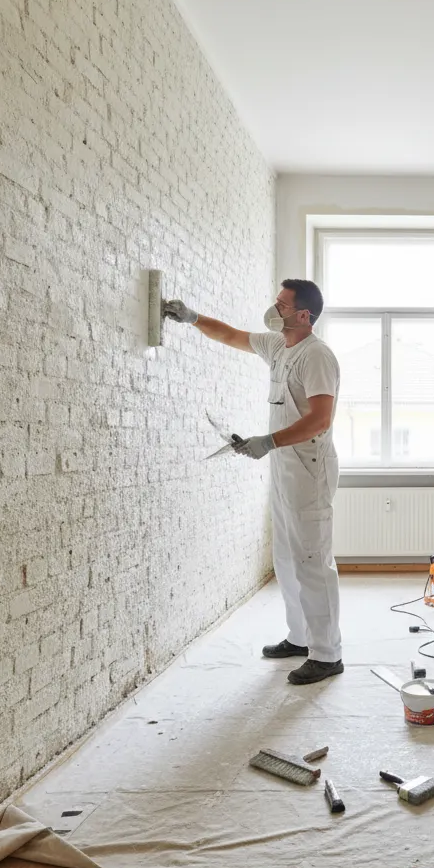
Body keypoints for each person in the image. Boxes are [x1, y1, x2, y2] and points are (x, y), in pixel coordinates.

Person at [163, 280, 343, 684]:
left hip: (309, 468)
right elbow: (231, 335)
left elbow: (320, 419)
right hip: (284, 465)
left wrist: (269, 441)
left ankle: (328, 654)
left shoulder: (316, 357)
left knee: (312, 561)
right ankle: (301, 639)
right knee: (285, 557)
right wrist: (192, 318)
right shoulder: (279, 346)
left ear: (303, 315)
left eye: (282, 304)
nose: (273, 308)